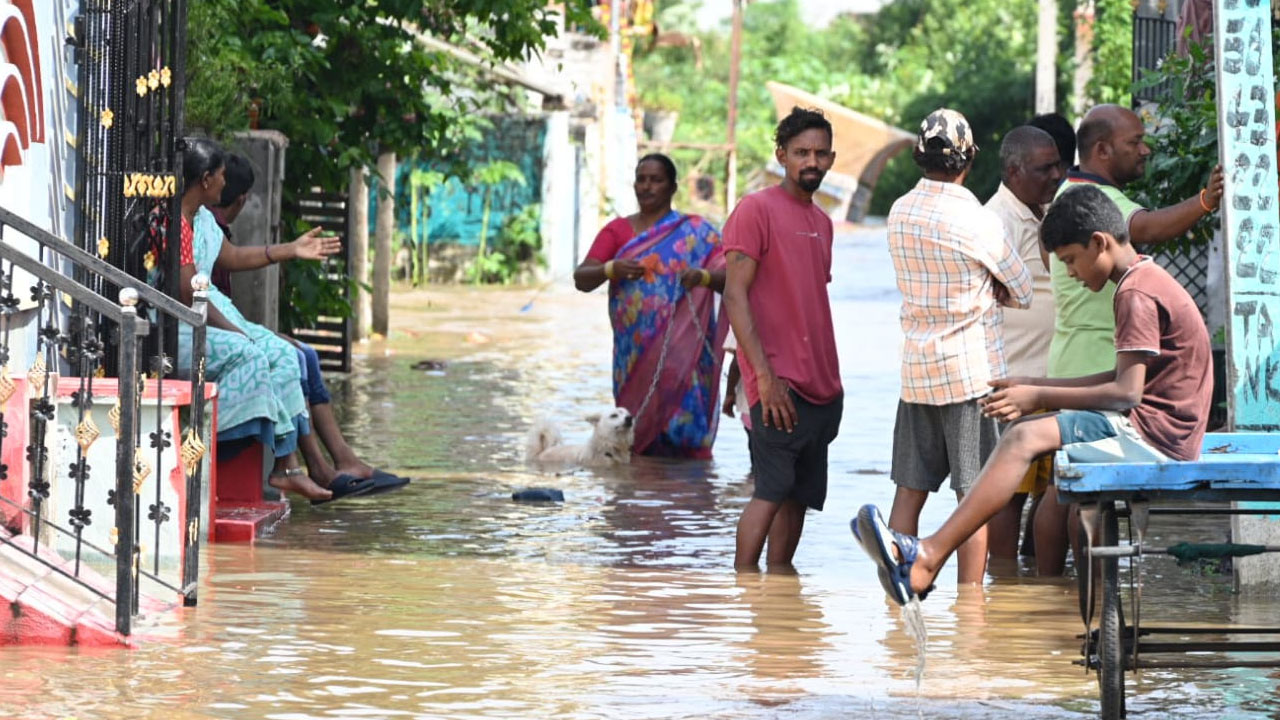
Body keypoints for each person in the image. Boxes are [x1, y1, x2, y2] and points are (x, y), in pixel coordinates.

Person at [854, 184, 1213, 604]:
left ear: (1099, 243)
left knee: (1023, 436)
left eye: (1070, 260)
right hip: (1156, 429)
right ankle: (932, 557)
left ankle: (929, 557)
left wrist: (1040, 394)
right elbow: (1121, 378)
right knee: (1023, 431)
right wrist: (1036, 387)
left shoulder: (1135, 294)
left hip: (1157, 438)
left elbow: (1126, 393)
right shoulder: (1142, 278)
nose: (1071, 274)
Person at [1033, 104, 1224, 574]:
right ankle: (1077, 587)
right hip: (1099, 358)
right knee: (1078, 492)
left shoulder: (1071, 193)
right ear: (1102, 150)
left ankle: (1047, 589)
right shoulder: (1097, 201)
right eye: (1134, 142)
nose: (1145, 149)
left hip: (1075, 354)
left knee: (1061, 487)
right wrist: (1206, 200)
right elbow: (1149, 228)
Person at [883, 108, 1032, 586]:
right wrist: (991, 285)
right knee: (973, 499)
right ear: (970, 158)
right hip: (970, 373)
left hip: (917, 371)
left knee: (909, 490)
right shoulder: (977, 219)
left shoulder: (898, 212)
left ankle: (895, 589)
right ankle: (970, 605)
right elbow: (1023, 290)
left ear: (918, 155)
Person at [175, 139, 365, 504]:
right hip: (183, 322)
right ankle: (284, 462)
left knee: (285, 354)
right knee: (259, 353)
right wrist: (237, 333)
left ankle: (288, 466)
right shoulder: (175, 223)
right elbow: (188, 295)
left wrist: (290, 250)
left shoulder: (203, 219)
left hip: (210, 315)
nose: (225, 183)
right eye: (221, 175)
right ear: (205, 179)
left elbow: (231, 256)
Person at [208, 154, 410, 495]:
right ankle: (316, 466)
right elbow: (197, 291)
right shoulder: (194, 222)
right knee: (295, 355)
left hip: (226, 322)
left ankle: (338, 460)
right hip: (211, 327)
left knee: (305, 354)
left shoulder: (205, 223)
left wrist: (289, 251)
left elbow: (228, 267)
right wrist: (247, 334)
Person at [722, 106, 843, 571]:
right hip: (778, 385)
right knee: (770, 491)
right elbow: (736, 296)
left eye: (820, 153)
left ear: (831, 159)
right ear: (781, 156)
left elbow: (803, 299)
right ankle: (744, 589)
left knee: (797, 498)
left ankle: (777, 596)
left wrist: (834, 386)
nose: (811, 161)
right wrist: (764, 379)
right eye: (800, 152)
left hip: (822, 386)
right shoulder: (755, 210)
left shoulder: (824, 223)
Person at [572, 153, 728, 459]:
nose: (647, 186)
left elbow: (733, 277)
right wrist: (611, 269)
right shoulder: (617, 231)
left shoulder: (697, 232)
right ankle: (641, 486)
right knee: (636, 437)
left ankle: (691, 486)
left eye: (656, 180)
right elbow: (582, 278)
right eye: (641, 180)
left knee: (687, 447)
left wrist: (702, 276)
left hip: (686, 356)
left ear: (672, 187)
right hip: (634, 357)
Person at [983, 126, 1063, 564]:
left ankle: (1032, 582)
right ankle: (1003, 580)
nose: (1056, 175)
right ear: (1014, 172)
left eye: (1057, 165)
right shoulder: (995, 221)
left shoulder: (1047, 212)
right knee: (1008, 493)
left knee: (1052, 491)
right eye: (1044, 168)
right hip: (1014, 380)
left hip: (1054, 379)